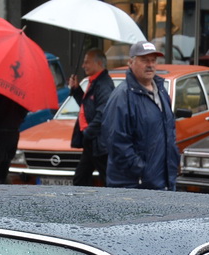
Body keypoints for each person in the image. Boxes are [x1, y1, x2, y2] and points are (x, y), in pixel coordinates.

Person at [102, 40, 178, 190]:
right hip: (134, 187)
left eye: (153, 60)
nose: (150, 65)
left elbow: (169, 133)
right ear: (131, 62)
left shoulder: (162, 91)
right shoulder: (122, 97)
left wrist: (173, 163)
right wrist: (144, 172)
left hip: (163, 183)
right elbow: (117, 144)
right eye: (144, 60)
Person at [69, 48, 115, 187]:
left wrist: (88, 132)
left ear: (99, 63)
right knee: (80, 179)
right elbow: (88, 107)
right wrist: (76, 90)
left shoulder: (104, 84)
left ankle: (116, 204)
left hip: (99, 142)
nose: (83, 66)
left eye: (87, 62)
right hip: (92, 142)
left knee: (108, 179)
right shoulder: (93, 82)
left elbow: (103, 113)